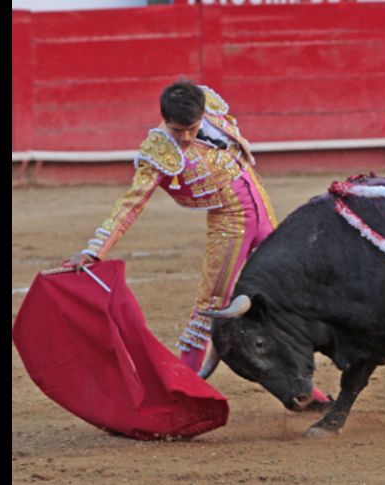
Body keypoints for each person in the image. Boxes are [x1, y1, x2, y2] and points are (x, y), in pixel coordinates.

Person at [68, 79, 331, 407]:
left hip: (262, 210)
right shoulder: (158, 151)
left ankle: (308, 392)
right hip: (229, 225)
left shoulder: (210, 106)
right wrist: (95, 250)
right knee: (210, 307)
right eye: (178, 130)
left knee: (286, 293)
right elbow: (131, 204)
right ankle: (181, 396)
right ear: (165, 120)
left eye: (191, 129)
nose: (186, 137)